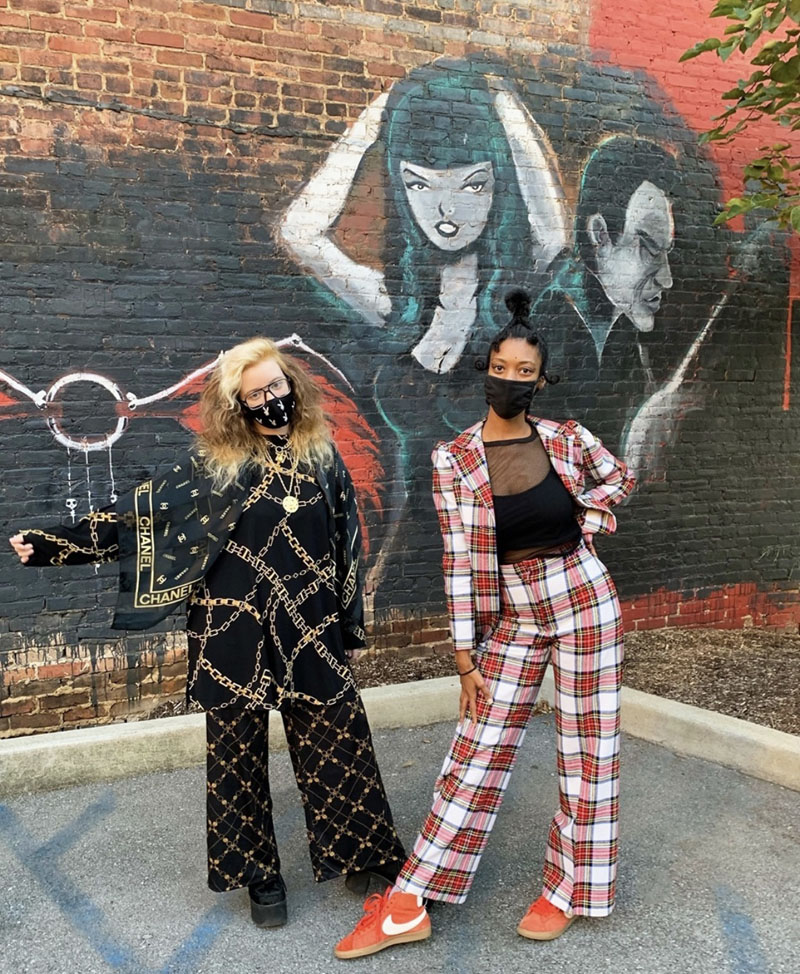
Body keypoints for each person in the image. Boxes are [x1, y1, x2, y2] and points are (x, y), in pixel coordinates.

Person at [9, 337, 406, 928]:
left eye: (278, 386)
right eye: (257, 393)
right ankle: (259, 876)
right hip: (232, 626)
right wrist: (51, 544)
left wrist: (347, 619)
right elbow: (134, 518)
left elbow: (346, 541)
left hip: (310, 622)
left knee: (337, 732)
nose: (274, 399)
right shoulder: (211, 466)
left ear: (293, 384)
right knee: (235, 752)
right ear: (235, 405)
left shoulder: (322, 456)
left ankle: (364, 853)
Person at [333, 290, 636, 959]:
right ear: (486, 368)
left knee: (588, 756)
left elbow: (619, 480)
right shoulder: (454, 458)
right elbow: (462, 565)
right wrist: (464, 658)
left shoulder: (566, 438)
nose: (512, 379)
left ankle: (567, 890)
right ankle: (413, 897)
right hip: (517, 617)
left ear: (541, 380)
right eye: (504, 366)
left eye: (526, 372)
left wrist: (586, 517)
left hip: (585, 601)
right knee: (476, 750)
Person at [279, 58, 569, 610]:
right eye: (419, 184)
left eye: (473, 185)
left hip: (494, 559)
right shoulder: (396, 305)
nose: (446, 212)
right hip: (399, 571)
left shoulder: (511, 302)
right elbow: (301, 231)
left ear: (497, 184)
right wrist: (377, 117)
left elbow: (552, 230)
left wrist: (504, 107)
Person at [534, 136, 679, 452]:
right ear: (599, 234)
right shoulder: (547, 323)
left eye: (666, 250)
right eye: (650, 248)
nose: (666, 279)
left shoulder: (625, 327)